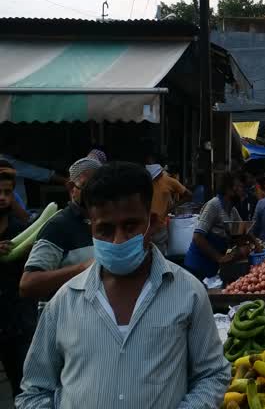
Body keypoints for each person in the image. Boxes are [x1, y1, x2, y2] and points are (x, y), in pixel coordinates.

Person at [16, 162, 230, 408]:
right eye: (105, 229)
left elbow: (212, 375)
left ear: (153, 222)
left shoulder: (189, 293)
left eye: (130, 226)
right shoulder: (63, 302)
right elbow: (34, 391)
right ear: (91, 229)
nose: (118, 240)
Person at [19, 158, 102, 302]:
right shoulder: (59, 226)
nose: (95, 193)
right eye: (87, 186)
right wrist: (83, 269)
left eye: (101, 187)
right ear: (71, 188)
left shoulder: (108, 223)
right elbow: (28, 285)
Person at [0, 165, 36, 397]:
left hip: (17, 320)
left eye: (7, 192)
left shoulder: (20, 230)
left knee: (21, 385)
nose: (2, 198)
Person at [184, 173, 250, 280]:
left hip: (211, 269)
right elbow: (197, 237)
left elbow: (242, 232)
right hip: (197, 267)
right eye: (239, 187)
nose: (242, 191)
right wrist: (219, 258)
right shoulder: (213, 205)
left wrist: (251, 244)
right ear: (229, 190)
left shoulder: (232, 210)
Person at [146, 164, 192, 255]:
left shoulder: (168, 181)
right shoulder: (145, 182)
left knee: (158, 254)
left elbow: (189, 195)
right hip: (145, 225)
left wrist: (173, 206)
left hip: (160, 225)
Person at [0, 145, 67, 206]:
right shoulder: (5, 161)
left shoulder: (8, 159)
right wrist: (65, 180)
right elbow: (38, 173)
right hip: (13, 209)